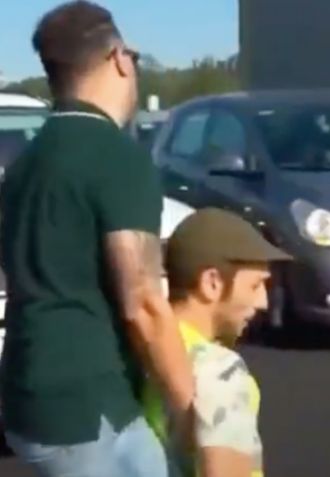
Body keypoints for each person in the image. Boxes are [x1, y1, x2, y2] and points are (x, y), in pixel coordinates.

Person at [0, 2, 194, 475]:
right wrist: (192, 412)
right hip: (89, 405)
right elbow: (144, 302)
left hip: (27, 393)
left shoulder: (26, 163)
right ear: (119, 59)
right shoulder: (114, 157)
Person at [143, 208, 291, 477]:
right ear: (212, 282)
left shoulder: (143, 347)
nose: (263, 302)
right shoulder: (219, 368)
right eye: (255, 286)